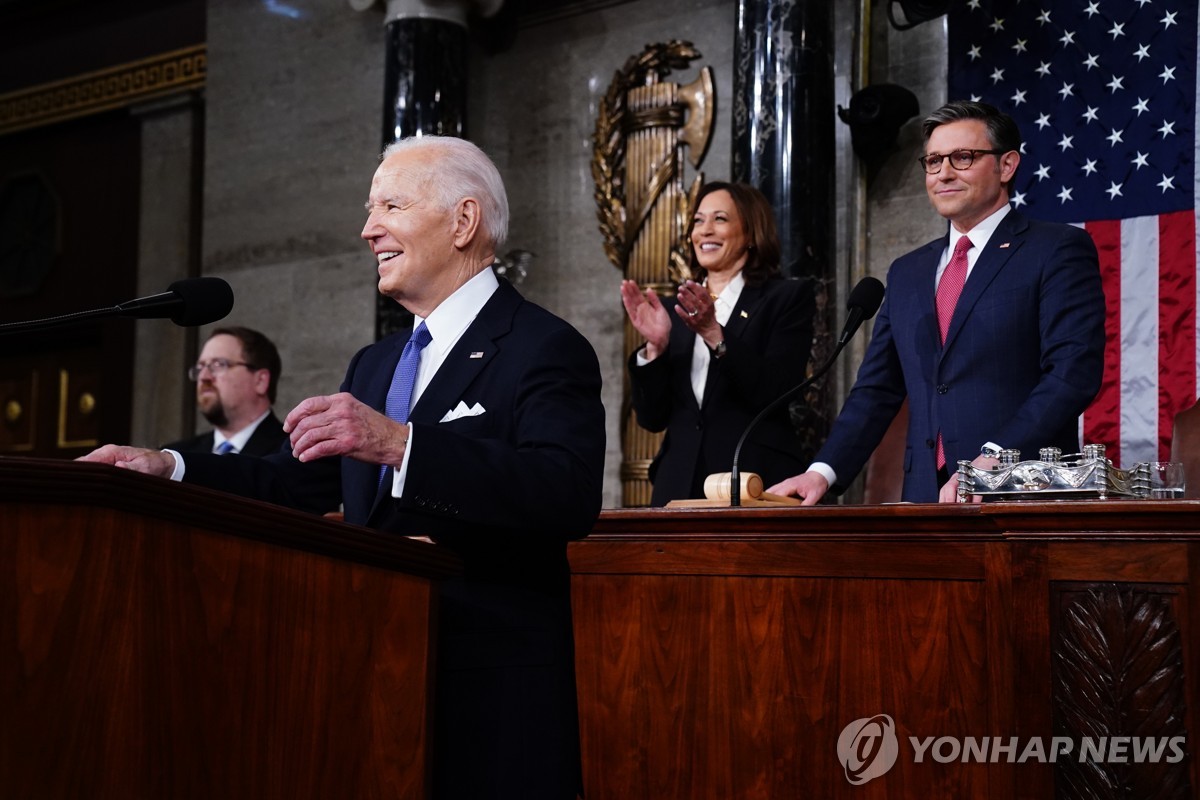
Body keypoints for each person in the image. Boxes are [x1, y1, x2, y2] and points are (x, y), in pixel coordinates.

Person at [82, 135, 606, 800]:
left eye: (390, 205)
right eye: (368, 209)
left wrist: (404, 445)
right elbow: (288, 481)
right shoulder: (376, 363)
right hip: (372, 683)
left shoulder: (543, 347)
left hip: (489, 692)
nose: (367, 230)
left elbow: (563, 493)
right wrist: (169, 469)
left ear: (464, 221)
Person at [769, 100, 1106, 504]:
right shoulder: (908, 271)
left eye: (963, 157)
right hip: (926, 499)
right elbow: (877, 389)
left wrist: (996, 459)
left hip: (1022, 493)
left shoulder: (1055, 249)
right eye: (932, 161)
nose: (943, 172)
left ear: (1007, 166)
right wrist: (822, 473)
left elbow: (1071, 374)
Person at [620, 181, 815, 506]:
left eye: (720, 219)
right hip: (678, 484)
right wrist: (654, 349)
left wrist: (714, 333)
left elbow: (777, 391)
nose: (704, 231)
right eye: (698, 221)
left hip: (754, 481)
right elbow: (652, 419)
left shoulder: (785, 298)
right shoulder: (673, 310)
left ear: (751, 233)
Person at [163, 326, 287, 456]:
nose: (204, 377)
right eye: (200, 367)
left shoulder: (295, 453)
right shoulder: (175, 458)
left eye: (219, 364)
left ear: (260, 381)